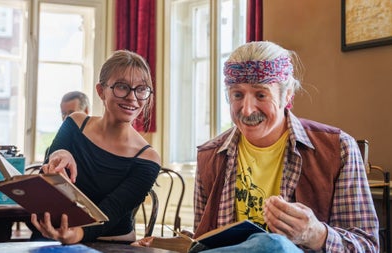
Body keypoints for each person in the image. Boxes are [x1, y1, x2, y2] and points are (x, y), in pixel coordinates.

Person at [134, 41, 379, 252]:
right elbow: (205, 242)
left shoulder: (339, 149)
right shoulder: (210, 156)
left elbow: (367, 246)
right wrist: (166, 244)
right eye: (237, 95)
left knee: (274, 246)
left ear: (288, 95)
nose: (247, 109)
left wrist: (316, 235)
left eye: (261, 95)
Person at [30, 50, 161, 245]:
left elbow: (110, 212)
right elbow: (48, 180)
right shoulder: (75, 123)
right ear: (101, 91)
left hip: (111, 245)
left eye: (141, 89)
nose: (132, 98)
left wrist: (75, 235)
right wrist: (58, 154)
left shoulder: (148, 158)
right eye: (122, 87)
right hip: (57, 237)